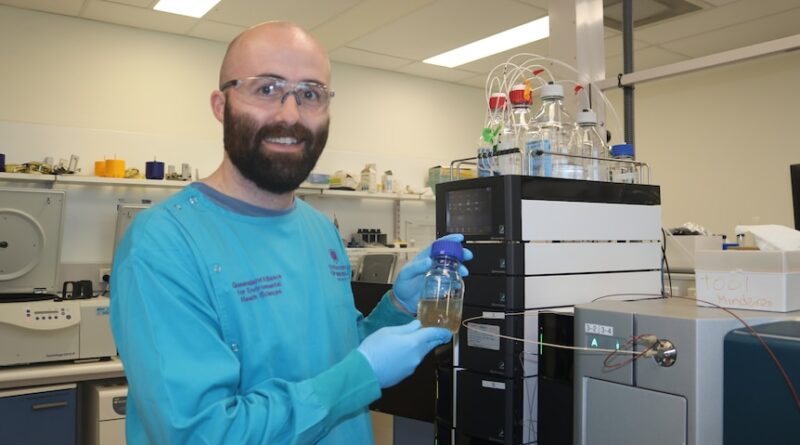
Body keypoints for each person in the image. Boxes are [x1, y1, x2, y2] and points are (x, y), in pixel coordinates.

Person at [109, 21, 472, 445]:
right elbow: (199, 434)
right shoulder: (163, 243)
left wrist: (397, 306)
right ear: (220, 105)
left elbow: (337, 355)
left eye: (311, 94)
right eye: (267, 89)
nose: (290, 114)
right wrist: (363, 373)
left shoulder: (319, 230)